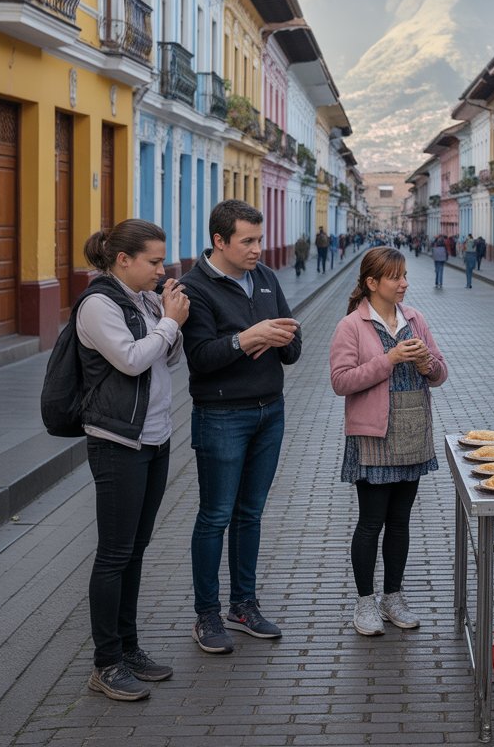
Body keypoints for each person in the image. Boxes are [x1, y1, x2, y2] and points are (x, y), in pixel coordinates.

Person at [180, 200, 302, 654]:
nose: (257, 249)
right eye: (247, 241)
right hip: (221, 417)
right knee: (215, 515)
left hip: (270, 411)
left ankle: (243, 605)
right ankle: (206, 614)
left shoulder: (266, 278)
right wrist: (245, 340)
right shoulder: (194, 289)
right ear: (220, 241)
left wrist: (282, 340)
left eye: (259, 239)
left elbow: (294, 341)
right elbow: (200, 360)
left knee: (250, 514)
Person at [74, 220, 188, 701]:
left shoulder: (143, 299)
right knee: (114, 554)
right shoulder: (98, 304)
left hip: (155, 436)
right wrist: (169, 323)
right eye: (154, 261)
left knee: (136, 550)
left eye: (163, 260)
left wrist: (169, 322)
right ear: (124, 259)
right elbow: (132, 359)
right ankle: (105, 663)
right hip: (117, 441)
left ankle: (129, 647)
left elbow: (170, 359)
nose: (162, 269)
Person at [329, 247, 448, 636]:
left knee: (400, 522)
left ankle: (393, 597)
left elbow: (441, 374)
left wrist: (425, 362)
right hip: (373, 436)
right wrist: (391, 358)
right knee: (371, 522)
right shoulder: (352, 325)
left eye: (404, 276)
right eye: (395, 277)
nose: (404, 283)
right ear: (372, 283)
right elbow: (341, 381)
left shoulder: (416, 318)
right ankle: (365, 602)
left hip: (413, 431)